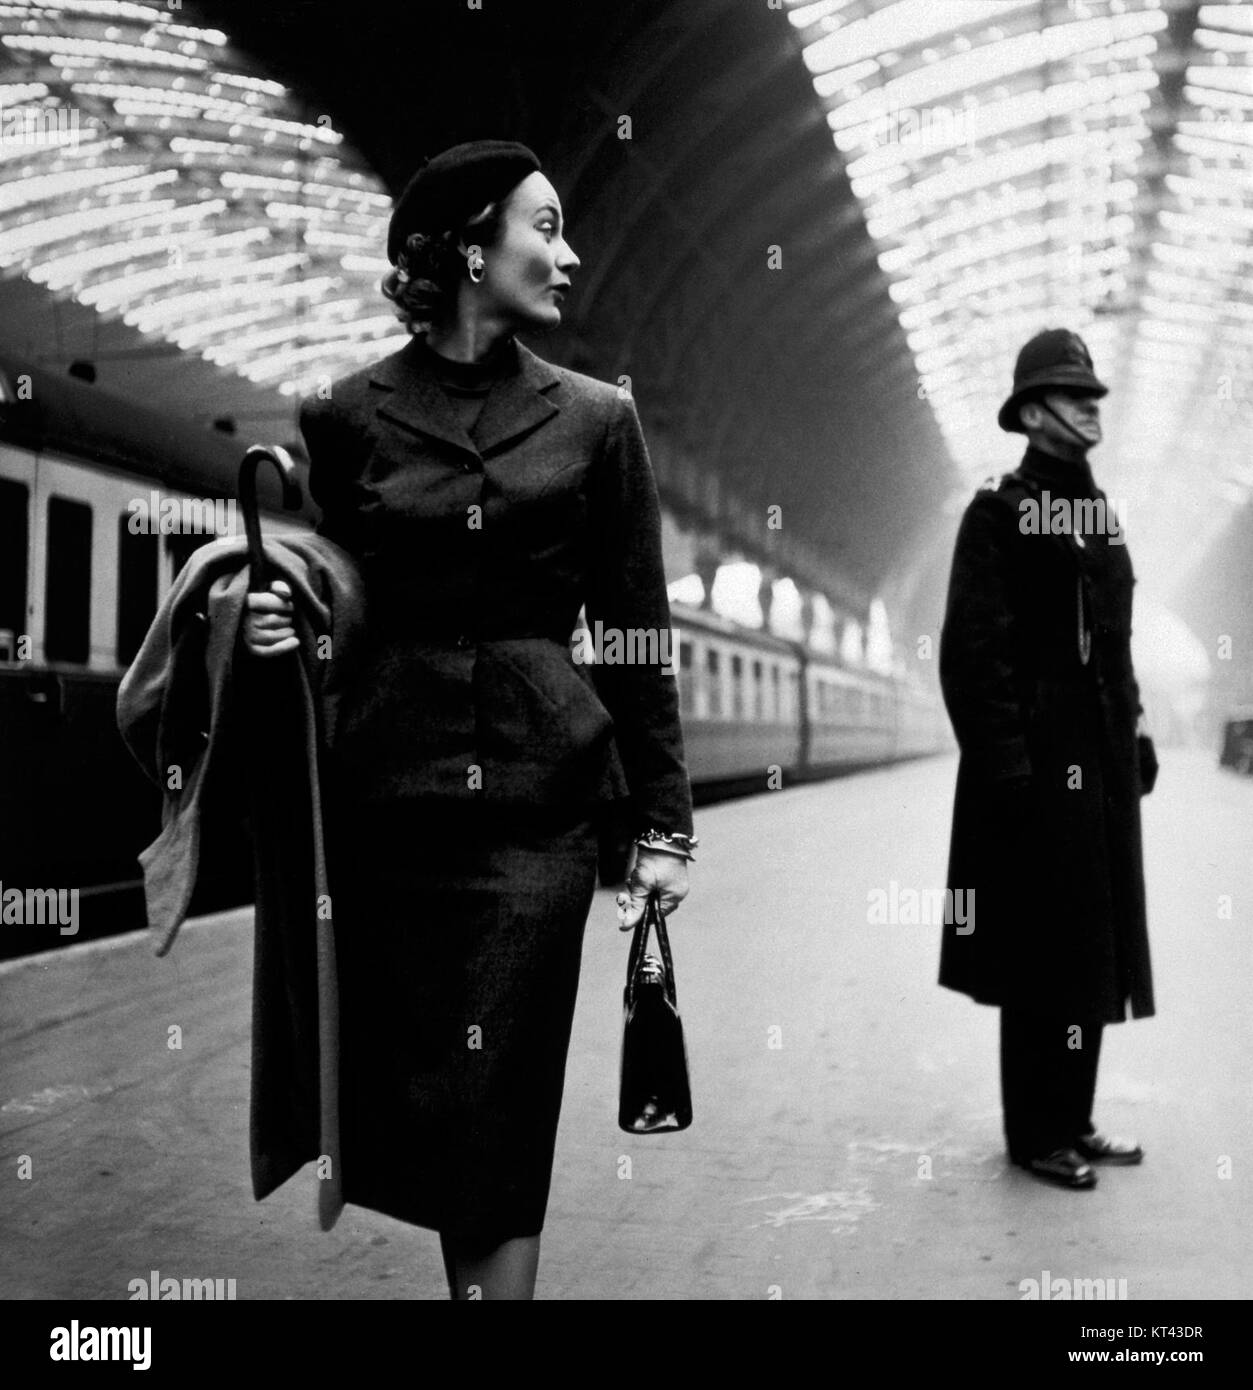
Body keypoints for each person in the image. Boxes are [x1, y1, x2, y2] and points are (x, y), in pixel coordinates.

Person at [243, 140, 696, 1296]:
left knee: (498, 1105)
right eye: (543, 227)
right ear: (464, 248)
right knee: (441, 1107)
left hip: (537, 823)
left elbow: (638, 639)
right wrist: (282, 629)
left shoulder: (597, 421)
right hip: (387, 814)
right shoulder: (342, 416)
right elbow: (333, 595)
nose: (568, 252)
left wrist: (663, 824)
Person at [937, 328, 1157, 1191]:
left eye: (1094, 394)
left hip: (1097, 767)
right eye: (1072, 395)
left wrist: (1132, 731)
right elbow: (971, 655)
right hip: (1031, 771)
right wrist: (1008, 771)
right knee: (1037, 953)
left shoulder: (1098, 518)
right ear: (1030, 412)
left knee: (1089, 946)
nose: (1089, 406)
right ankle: (1033, 1134)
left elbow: (1115, 642)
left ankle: (1073, 1118)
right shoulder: (996, 512)